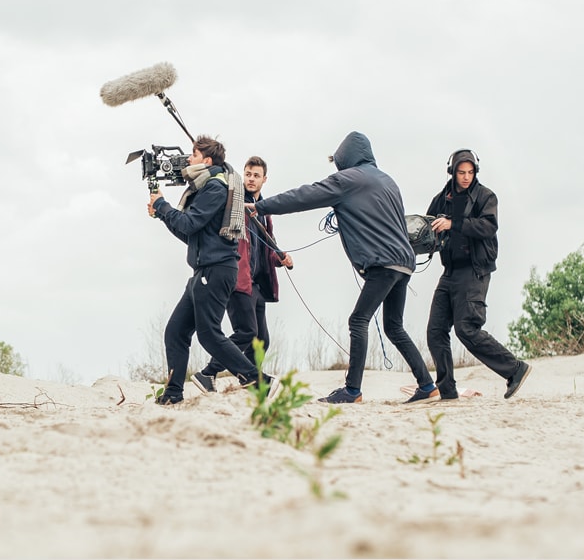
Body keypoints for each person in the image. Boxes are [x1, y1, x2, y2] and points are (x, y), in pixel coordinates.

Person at [250, 131, 437, 404]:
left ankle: (352, 390)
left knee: (358, 320)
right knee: (394, 326)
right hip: (405, 262)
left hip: (383, 264)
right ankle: (427, 384)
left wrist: (262, 207)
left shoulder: (348, 179)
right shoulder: (388, 181)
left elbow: (305, 195)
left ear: (345, 158)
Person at [148, 136, 269, 405]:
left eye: (193, 154)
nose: (188, 159)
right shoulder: (205, 188)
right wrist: (162, 214)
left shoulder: (215, 187)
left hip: (216, 270)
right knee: (175, 332)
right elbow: (189, 233)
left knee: (209, 334)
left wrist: (162, 205)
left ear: (207, 160)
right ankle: (173, 393)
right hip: (202, 271)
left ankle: (257, 380)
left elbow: (189, 223)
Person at [425, 149, 531, 400]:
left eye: (470, 172)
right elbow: (427, 225)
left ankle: (515, 369)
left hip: (475, 271)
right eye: (461, 172)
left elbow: (488, 226)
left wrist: (454, 223)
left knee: (467, 328)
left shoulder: (486, 196)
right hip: (449, 272)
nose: (465, 177)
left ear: (476, 172)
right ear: (452, 172)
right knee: (435, 331)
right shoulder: (442, 199)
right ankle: (447, 391)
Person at [191, 156, 293, 393]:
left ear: (264, 180)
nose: (251, 179)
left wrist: (280, 258)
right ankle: (211, 373)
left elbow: (266, 246)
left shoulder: (264, 211)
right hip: (238, 278)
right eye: (248, 174)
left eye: (256, 175)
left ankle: (246, 379)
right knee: (246, 332)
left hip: (256, 282)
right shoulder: (236, 203)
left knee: (261, 340)